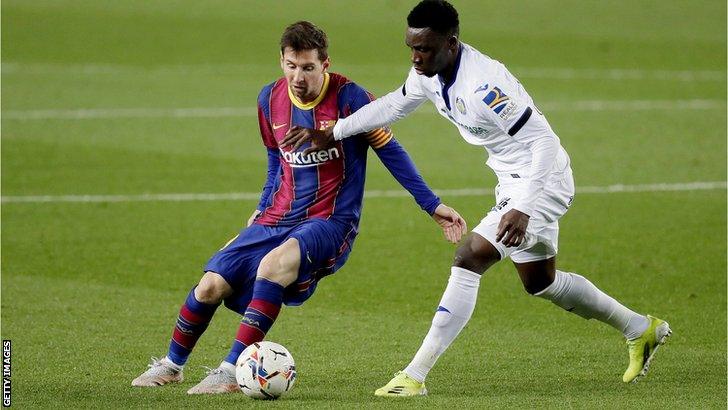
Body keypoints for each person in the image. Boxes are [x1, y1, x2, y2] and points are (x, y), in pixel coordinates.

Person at [281, 0, 671, 396]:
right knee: (541, 282)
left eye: (425, 48)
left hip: (541, 181)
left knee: (470, 256)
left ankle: (414, 376)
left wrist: (523, 207)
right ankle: (641, 329)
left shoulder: (485, 86)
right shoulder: (428, 72)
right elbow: (396, 102)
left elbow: (544, 142)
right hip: (512, 181)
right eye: (411, 48)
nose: (416, 57)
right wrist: (335, 132)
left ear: (451, 43)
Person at [131, 20, 466, 395]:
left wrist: (431, 205)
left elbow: (390, 150)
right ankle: (172, 365)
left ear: (325, 64)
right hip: (276, 217)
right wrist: (261, 208)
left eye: (307, 67)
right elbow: (276, 159)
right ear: (282, 62)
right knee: (210, 284)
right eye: (291, 66)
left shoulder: (351, 99)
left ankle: (232, 370)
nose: (298, 76)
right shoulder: (268, 99)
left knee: (273, 266)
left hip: (330, 221)